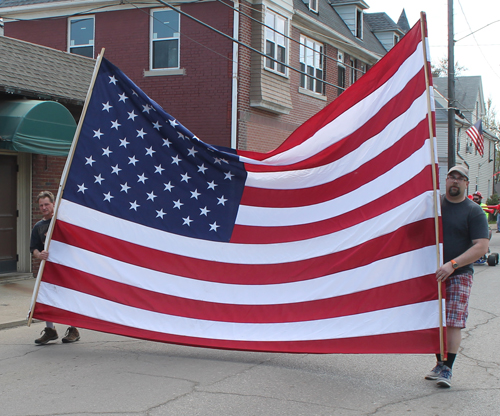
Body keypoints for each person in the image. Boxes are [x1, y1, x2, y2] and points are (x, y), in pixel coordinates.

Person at [425, 166, 489, 388]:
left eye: (460, 178)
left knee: (452, 322)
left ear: (467, 184)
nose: (455, 181)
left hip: (459, 272)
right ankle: (439, 363)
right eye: (452, 177)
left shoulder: (474, 211)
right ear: (446, 180)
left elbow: (481, 247)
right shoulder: (435, 205)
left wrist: (453, 264)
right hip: (432, 273)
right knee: (435, 321)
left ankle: (447, 368)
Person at [30, 191, 80, 345]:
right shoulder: (38, 227)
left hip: (65, 268)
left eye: (46, 204)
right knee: (45, 297)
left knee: (67, 297)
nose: (44, 207)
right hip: (48, 269)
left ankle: (73, 329)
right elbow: (33, 248)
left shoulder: (62, 222)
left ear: (53, 204)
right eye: (41, 205)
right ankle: (50, 330)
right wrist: (40, 255)